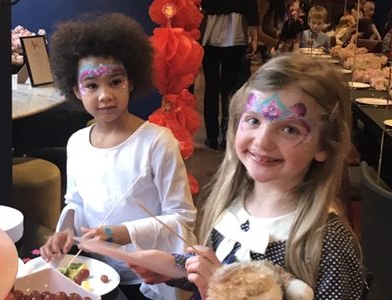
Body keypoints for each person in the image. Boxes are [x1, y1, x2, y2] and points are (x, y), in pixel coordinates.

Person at [121, 54, 365, 299]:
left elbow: (220, 281)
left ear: (324, 145)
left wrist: (218, 291)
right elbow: (222, 267)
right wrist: (173, 267)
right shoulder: (233, 204)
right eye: (253, 120)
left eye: (290, 129)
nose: (263, 141)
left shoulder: (330, 243)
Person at [39, 13, 198, 300]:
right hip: (100, 271)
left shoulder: (157, 142)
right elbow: (75, 200)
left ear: (132, 82)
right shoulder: (76, 143)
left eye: (115, 81)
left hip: (151, 275)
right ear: (76, 90)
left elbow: (182, 218)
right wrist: (64, 231)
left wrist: (119, 233)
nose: (104, 95)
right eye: (92, 86)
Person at [200, 0, 260, 150]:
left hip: (209, 33)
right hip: (235, 33)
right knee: (229, 89)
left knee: (211, 88)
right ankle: (227, 136)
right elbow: (251, 8)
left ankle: (211, 136)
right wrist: (254, 37)